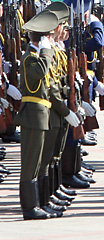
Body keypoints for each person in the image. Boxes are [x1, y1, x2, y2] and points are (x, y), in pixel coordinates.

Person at [18, 11, 79, 220]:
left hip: (42, 114)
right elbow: (41, 73)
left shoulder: (37, 56)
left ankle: (39, 203)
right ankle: (30, 207)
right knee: (30, 165)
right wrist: (46, 52)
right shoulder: (31, 58)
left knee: (38, 163)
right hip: (33, 115)